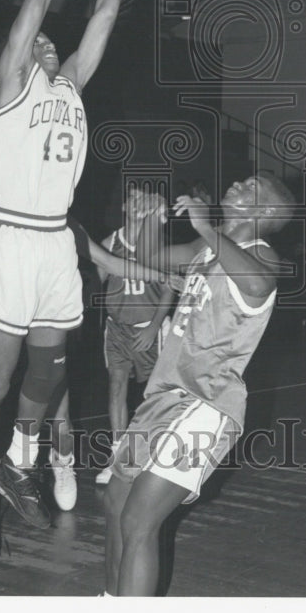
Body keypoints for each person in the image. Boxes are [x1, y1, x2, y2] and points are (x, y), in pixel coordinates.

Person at [0, 0, 164, 560]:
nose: (47, 45)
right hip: (13, 235)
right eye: (37, 41)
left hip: (53, 241)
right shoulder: (10, 87)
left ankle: (18, 460)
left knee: (48, 373)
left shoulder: (69, 88)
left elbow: (103, 16)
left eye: (52, 45)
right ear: (17, 54)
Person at [0, 209, 173, 547]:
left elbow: (111, 262)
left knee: (59, 418)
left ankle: (62, 464)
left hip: (45, 329)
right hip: (0, 330)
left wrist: (163, 276)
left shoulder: (63, 222)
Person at [104, 173, 295, 596]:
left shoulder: (264, 254)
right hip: (162, 398)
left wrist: (207, 226)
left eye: (251, 187)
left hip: (205, 404)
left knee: (139, 520)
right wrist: (149, 216)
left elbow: (260, 283)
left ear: (263, 212)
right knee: (115, 501)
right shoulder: (206, 250)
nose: (239, 183)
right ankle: (108, 603)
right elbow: (153, 256)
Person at [95, 186, 175, 485]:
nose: (139, 199)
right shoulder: (109, 243)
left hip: (148, 328)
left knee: (152, 396)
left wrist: (155, 326)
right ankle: (120, 458)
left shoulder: (157, 246)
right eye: (133, 196)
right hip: (117, 327)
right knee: (115, 387)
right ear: (127, 207)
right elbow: (92, 281)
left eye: (144, 196)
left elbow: (169, 288)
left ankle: (150, 454)